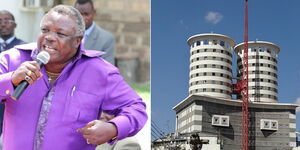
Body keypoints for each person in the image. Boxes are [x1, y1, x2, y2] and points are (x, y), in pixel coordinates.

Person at [0, 5, 147, 150]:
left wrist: (113, 128)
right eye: (45, 30)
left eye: (60, 34)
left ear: (78, 40)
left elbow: (136, 108)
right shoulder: (13, 59)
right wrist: (10, 79)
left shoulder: (100, 72)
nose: (49, 38)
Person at [75, 0, 115, 65]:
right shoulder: (65, 34)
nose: (82, 18)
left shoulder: (106, 39)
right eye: (79, 14)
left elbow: (107, 69)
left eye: (86, 14)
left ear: (94, 12)